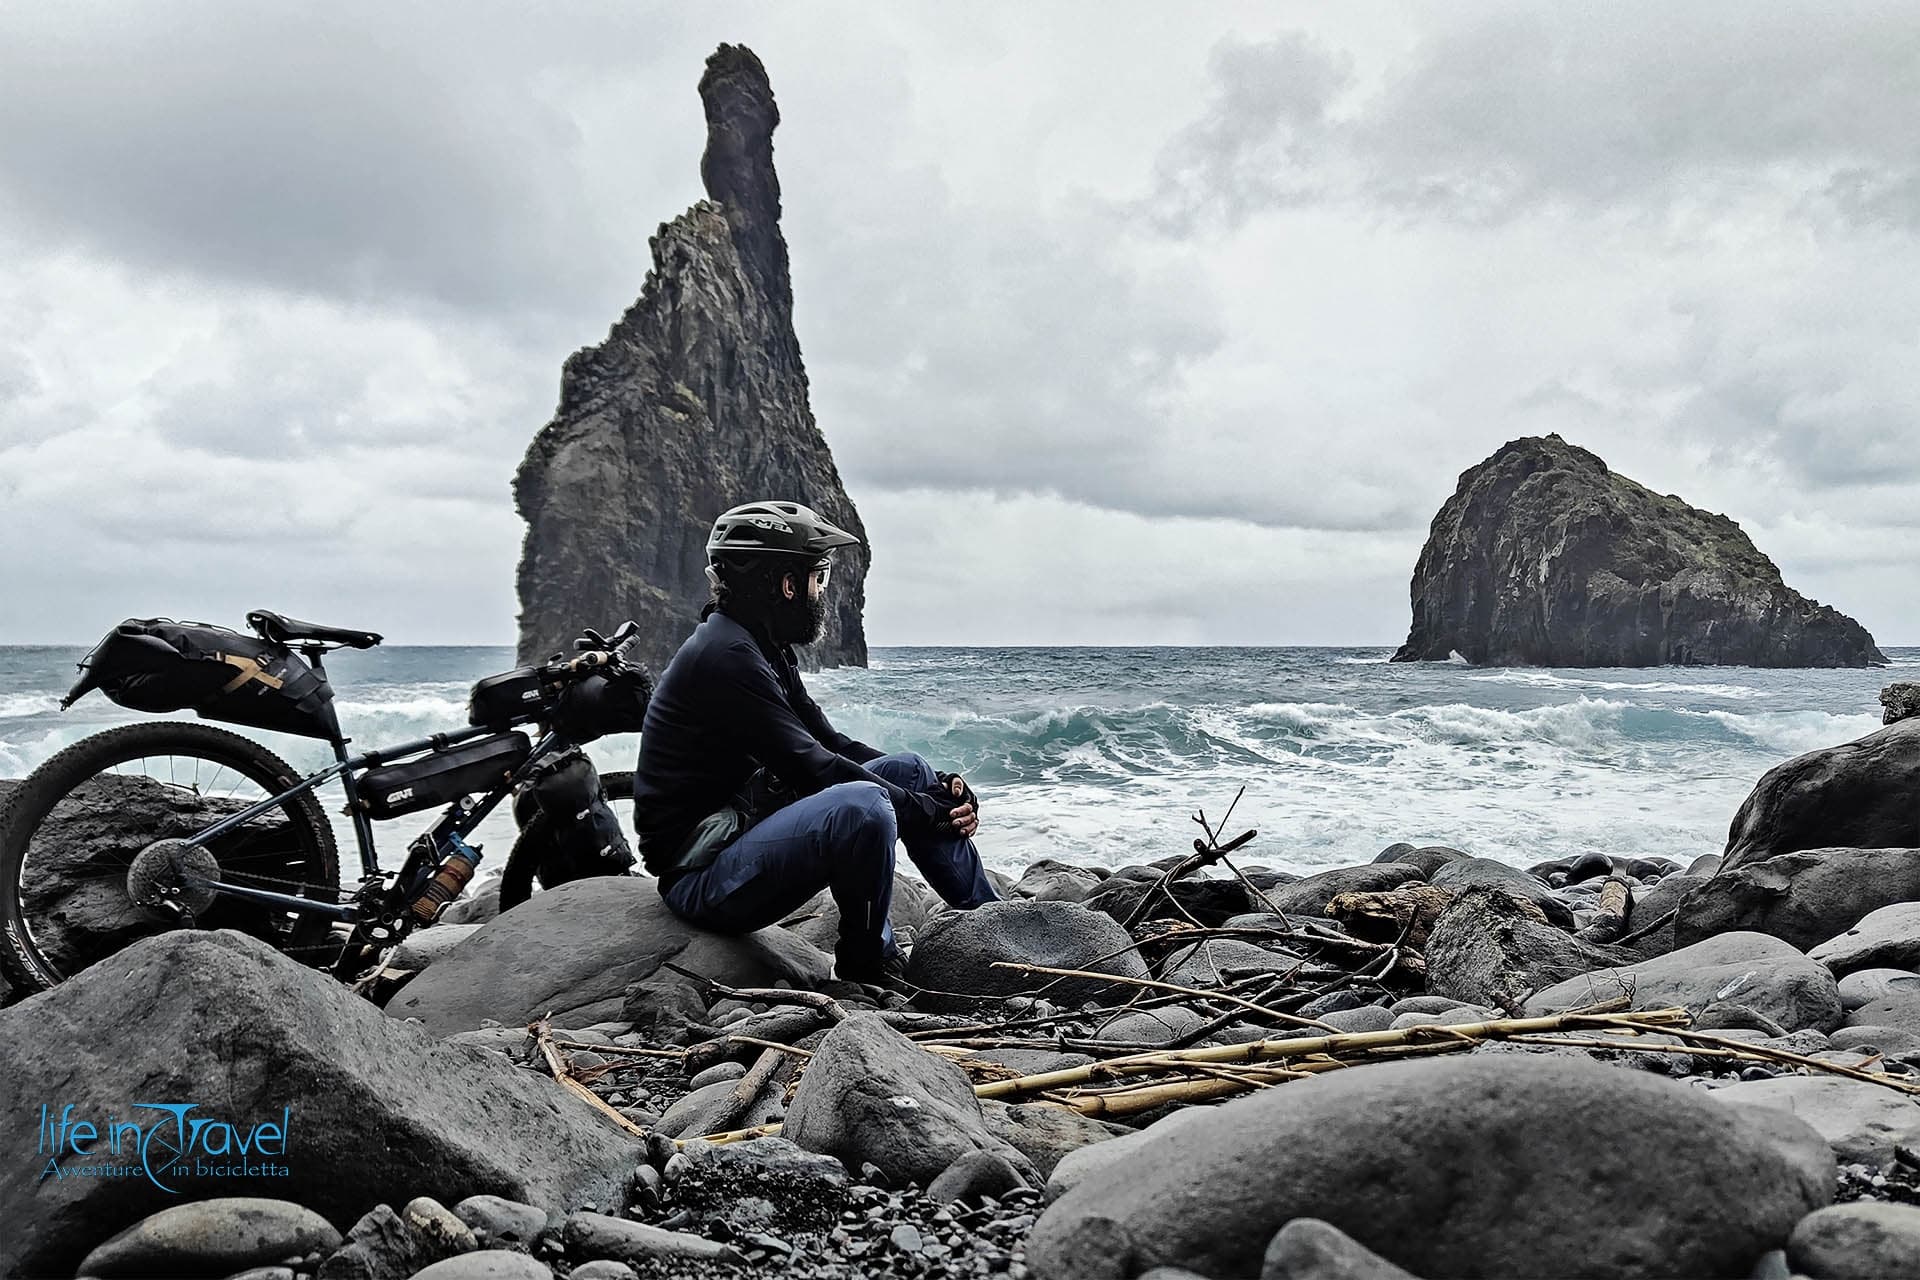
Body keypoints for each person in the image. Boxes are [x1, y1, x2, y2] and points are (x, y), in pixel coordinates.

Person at [632, 499, 999, 983]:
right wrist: (924, 810)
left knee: (907, 767)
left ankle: (993, 923)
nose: (820, 592)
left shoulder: (759, 647)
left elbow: (828, 741)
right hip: (704, 880)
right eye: (818, 577)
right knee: (863, 806)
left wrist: (937, 792)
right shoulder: (725, 657)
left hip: (745, 837)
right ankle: (869, 965)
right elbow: (813, 767)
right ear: (786, 584)